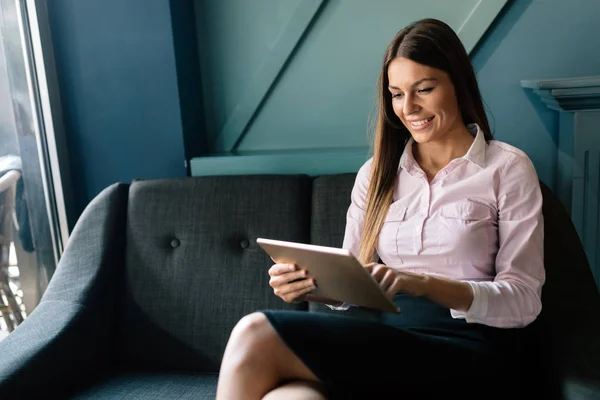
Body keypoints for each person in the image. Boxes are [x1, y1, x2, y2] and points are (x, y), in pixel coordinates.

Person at [215, 17, 544, 400]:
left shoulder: (507, 167)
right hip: (390, 341)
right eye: (397, 94)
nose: (409, 108)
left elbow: (524, 299)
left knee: (255, 332)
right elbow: (353, 281)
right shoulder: (376, 173)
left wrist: (423, 284)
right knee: (289, 398)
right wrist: (311, 286)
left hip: (469, 349)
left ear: (458, 83)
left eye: (424, 89)